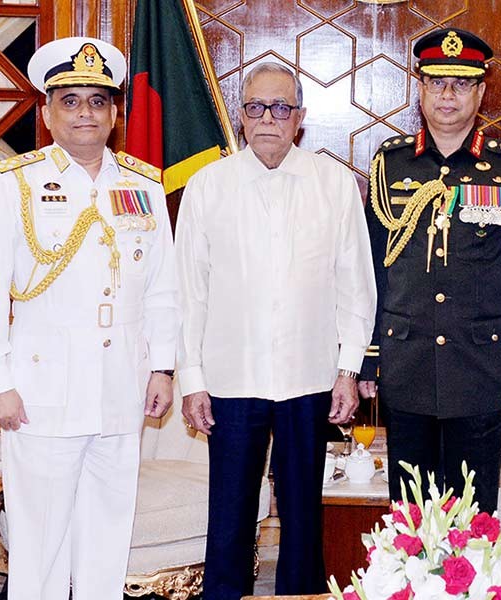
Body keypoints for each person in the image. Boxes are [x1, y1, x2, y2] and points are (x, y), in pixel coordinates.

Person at [0, 36, 179, 599]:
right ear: (47, 112)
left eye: (98, 101)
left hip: (120, 390)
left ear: (115, 113)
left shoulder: (144, 185)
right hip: (41, 393)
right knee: (41, 542)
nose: (86, 112)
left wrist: (162, 368)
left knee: (108, 534)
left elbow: (162, 289)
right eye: (71, 100)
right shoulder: (14, 185)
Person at [175, 62, 377, 600]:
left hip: (308, 379)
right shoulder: (207, 187)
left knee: (304, 516)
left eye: (281, 107)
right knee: (231, 518)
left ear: (300, 119)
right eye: (256, 107)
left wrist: (348, 369)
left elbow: (356, 285)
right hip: (231, 380)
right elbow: (189, 291)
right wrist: (191, 378)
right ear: (241, 117)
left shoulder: (332, 183)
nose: (268, 118)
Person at [358, 28, 501, 514]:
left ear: (481, 91)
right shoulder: (390, 164)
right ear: (420, 89)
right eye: (437, 82)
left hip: (480, 363)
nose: (448, 94)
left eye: (462, 83)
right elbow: (374, 265)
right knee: (409, 510)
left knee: (474, 513)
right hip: (406, 358)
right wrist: (370, 356)